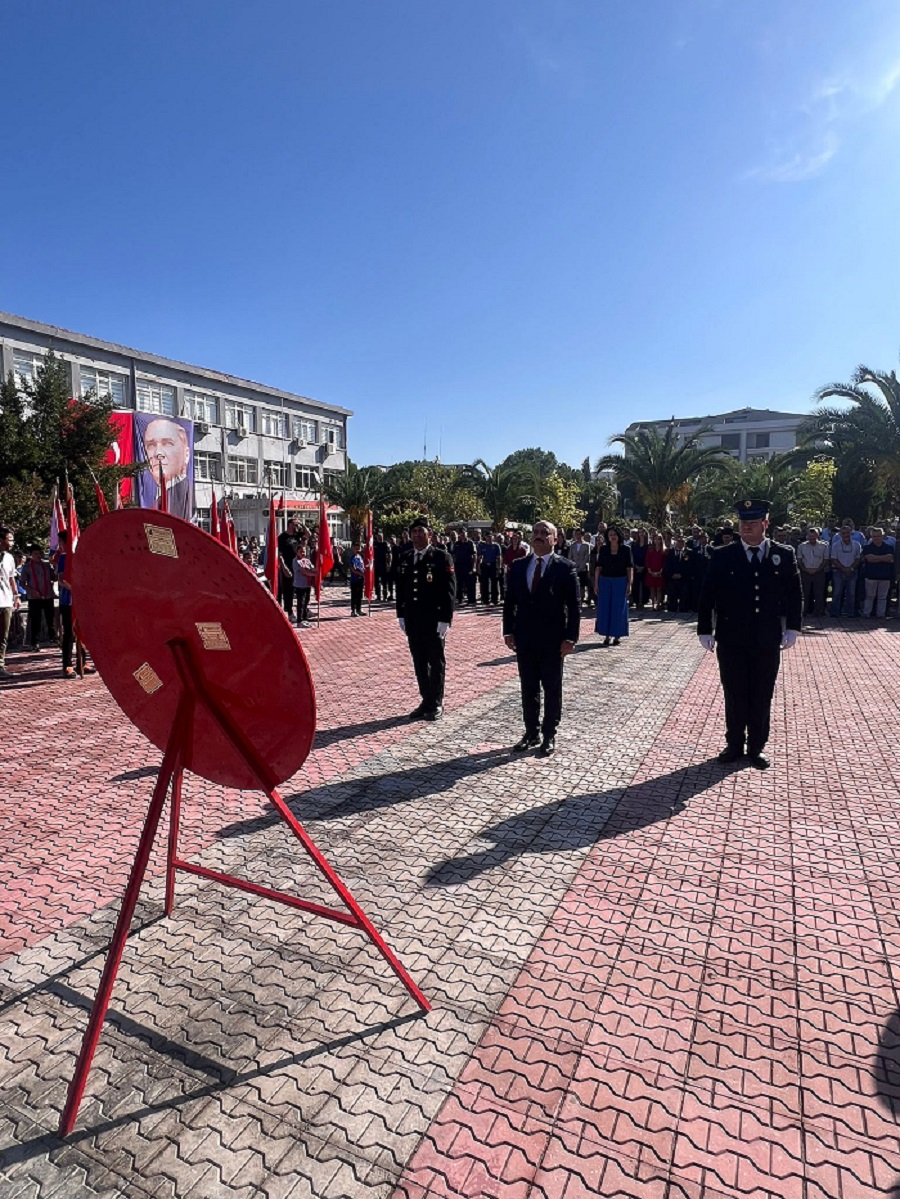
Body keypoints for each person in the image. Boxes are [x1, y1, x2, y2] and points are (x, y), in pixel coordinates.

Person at [697, 499, 802, 769]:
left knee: (761, 692)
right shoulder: (723, 554)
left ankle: (757, 747)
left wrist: (792, 627)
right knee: (734, 692)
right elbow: (708, 593)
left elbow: (794, 593)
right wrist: (705, 629)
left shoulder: (784, 554)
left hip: (766, 638)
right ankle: (734, 743)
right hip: (732, 638)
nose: (746, 527)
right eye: (743, 522)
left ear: (765, 524)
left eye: (753, 523)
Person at [503, 519, 580, 757]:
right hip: (525, 638)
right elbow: (510, 602)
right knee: (528, 688)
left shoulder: (565, 568)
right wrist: (508, 631)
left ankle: (549, 734)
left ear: (555, 539)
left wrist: (570, 638)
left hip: (552, 640)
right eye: (535, 532)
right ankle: (531, 732)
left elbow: (574, 607)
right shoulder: (518, 566)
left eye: (544, 533)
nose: (538, 536)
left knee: (551, 687)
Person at [396, 516, 456, 720]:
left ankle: (436, 703)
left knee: (436, 661)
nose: (417, 535)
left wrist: (445, 619)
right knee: (419, 661)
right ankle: (426, 700)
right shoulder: (405, 557)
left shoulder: (441, 557)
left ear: (429, 534)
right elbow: (401, 589)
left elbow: (449, 591)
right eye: (414, 532)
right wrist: (401, 614)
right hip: (413, 620)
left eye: (421, 531)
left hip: (433, 620)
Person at [142, 417, 192, 519]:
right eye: (151, 445)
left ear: (186, 454)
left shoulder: (187, 496)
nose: (158, 453)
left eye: (168, 444)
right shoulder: (149, 495)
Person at [594, 525, 633, 647]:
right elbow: (598, 567)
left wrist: (629, 583)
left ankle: (617, 635)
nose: (613, 537)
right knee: (605, 607)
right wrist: (596, 583)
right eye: (610, 535)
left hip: (620, 581)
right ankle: (606, 635)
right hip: (605, 581)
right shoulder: (604, 549)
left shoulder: (626, 549)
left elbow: (629, 568)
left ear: (619, 536)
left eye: (614, 534)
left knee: (618, 609)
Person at [19, 546, 56, 650]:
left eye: (39, 553)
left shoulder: (47, 565)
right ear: (31, 555)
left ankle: (54, 639)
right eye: (35, 554)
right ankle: (35, 642)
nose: (38, 556)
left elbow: (54, 577)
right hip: (34, 597)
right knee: (36, 620)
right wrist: (31, 591)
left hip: (47, 595)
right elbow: (22, 583)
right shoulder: (27, 567)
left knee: (50, 619)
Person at [861, 528, 894, 618]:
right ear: (871, 537)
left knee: (882, 597)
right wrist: (883, 558)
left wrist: (876, 558)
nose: (876, 538)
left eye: (878, 536)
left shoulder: (889, 547)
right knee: (869, 596)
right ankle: (866, 613)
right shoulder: (867, 547)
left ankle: (881, 614)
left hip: (885, 576)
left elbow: (889, 558)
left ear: (882, 536)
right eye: (874, 536)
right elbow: (869, 559)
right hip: (871, 576)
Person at [796, 527, 829, 619]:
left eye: (813, 537)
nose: (811, 539)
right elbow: (799, 559)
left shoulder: (824, 546)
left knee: (819, 593)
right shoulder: (801, 546)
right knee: (804, 593)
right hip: (805, 572)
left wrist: (817, 569)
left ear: (817, 536)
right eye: (809, 537)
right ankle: (803, 611)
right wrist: (805, 569)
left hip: (819, 572)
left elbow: (825, 559)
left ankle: (818, 611)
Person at [829, 525, 861, 617]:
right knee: (837, 593)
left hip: (852, 572)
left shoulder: (856, 544)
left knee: (851, 593)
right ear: (840, 534)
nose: (846, 535)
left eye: (847, 533)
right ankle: (835, 613)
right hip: (838, 572)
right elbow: (834, 559)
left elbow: (858, 558)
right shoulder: (835, 545)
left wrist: (851, 569)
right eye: (843, 533)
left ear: (851, 533)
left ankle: (850, 613)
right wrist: (843, 569)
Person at [0, 527, 19, 679]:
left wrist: (16, 596)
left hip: (5, 601)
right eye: (9, 539)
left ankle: (0, 665)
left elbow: (12, 578)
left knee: (3, 636)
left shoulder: (9, 558)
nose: (12, 542)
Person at [277, 519, 300, 619]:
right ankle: (289, 611)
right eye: (295, 524)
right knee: (288, 589)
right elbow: (279, 553)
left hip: (297, 565)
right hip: (287, 566)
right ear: (290, 524)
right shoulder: (282, 537)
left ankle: (303, 610)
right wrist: (283, 566)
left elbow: (308, 534)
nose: (297, 526)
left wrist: (302, 525)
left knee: (300, 588)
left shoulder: (297, 535)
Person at [568, 529, 592, 608]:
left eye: (579, 534)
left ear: (582, 535)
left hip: (583, 568)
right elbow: (570, 556)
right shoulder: (572, 545)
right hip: (574, 567)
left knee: (582, 586)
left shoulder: (586, 545)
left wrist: (581, 567)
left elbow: (587, 557)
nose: (577, 536)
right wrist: (573, 565)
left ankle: (581, 601)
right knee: (574, 585)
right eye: (576, 534)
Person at [452, 528, 477, 605]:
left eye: (464, 533)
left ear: (466, 533)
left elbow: (474, 555)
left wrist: (474, 567)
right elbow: (454, 555)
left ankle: (471, 600)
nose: (462, 534)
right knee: (459, 583)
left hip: (468, 565)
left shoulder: (470, 543)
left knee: (470, 583)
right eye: (461, 533)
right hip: (459, 566)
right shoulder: (457, 544)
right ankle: (460, 599)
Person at [292, 546, 314, 626]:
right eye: (301, 551)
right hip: (299, 585)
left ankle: (304, 618)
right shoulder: (295, 561)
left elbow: (312, 568)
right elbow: (303, 571)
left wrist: (319, 569)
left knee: (306, 602)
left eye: (304, 551)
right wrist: (315, 574)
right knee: (300, 603)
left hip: (307, 584)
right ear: (297, 552)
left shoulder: (307, 560)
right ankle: (299, 621)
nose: (303, 553)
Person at [478, 532, 502, 606]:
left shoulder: (496, 546)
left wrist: (499, 567)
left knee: (494, 582)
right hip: (485, 565)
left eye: (490, 537)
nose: (489, 538)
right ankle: (485, 599)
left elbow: (499, 557)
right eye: (487, 536)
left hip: (493, 565)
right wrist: (478, 567)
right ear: (485, 537)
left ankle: (495, 599)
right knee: (485, 582)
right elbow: (479, 557)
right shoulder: (482, 546)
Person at [645, 533, 666, 611]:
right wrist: (650, 571)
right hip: (651, 571)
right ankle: (653, 604)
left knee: (659, 589)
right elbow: (647, 560)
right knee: (652, 589)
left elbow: (665, 562)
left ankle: (658, 604)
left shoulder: (664, 550)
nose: (657, 541)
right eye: (655, 539)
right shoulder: (650, 549)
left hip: (660, 572)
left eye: (659, 539)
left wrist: (660, 571)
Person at [348, 543, 365, 616]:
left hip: (360, 579)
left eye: (359, 548)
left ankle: (359, 609)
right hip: (354, 579)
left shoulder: (360, 557)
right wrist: (359, 573)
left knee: (360, 595)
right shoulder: (352, 558)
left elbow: (362, 567)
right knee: (354, 595)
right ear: (353, 549)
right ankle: (353, 611)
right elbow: (352, 569)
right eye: (356, 548)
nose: (357, 550)